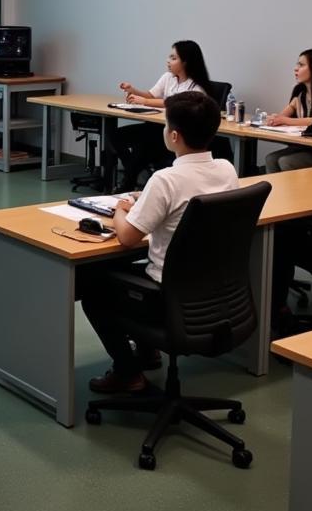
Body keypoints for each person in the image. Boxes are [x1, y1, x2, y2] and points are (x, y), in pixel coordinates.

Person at [81, 91, 239, 393]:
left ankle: (128, 373)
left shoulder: (165, 179)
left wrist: (119, 210)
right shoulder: (226, 169)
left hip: (168, 294)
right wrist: (149, 202)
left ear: (174, 135)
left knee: (93, 289)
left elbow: (127, 237)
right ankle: (148, 351)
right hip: (211, 290)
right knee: (132, 269)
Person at [111, 41, 214, 190]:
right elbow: (151, 95)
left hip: (175, 133)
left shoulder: (196, 87)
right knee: (116, 136)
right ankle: (132, 171)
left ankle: (130, 177)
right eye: (169, 57)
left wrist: (145, 101)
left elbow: (177, 105)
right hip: (155, 127)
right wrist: (134, 91)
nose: (168, 61)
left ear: (185, 62)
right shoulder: (168, 77)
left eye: (173, 58)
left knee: (142, 149)